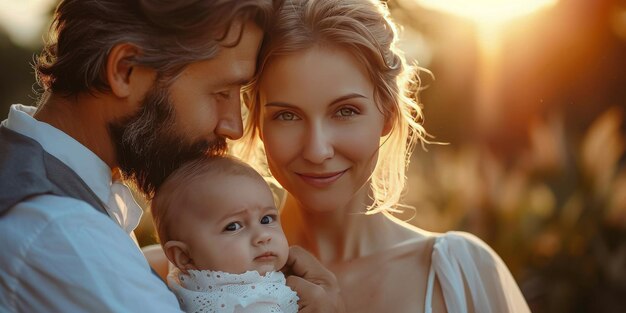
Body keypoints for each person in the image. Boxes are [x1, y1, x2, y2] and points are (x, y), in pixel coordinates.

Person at [0, 0, 343, 312]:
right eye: (220, 92)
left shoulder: (52, 189)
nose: (234, 127)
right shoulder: (60, 228)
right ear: (126, 69)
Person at [235, 0, 533, 312]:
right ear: (256, 119)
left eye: (345, 111)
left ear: (388, 114)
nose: (316, 150)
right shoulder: (214, 275)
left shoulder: (459, 273)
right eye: (287, 116)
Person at [151, 156, 299, 313]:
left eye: (266, 219)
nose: (263, 236)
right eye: (233, 226)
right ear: (184, 256)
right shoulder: (244, 304)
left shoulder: (185, 285)